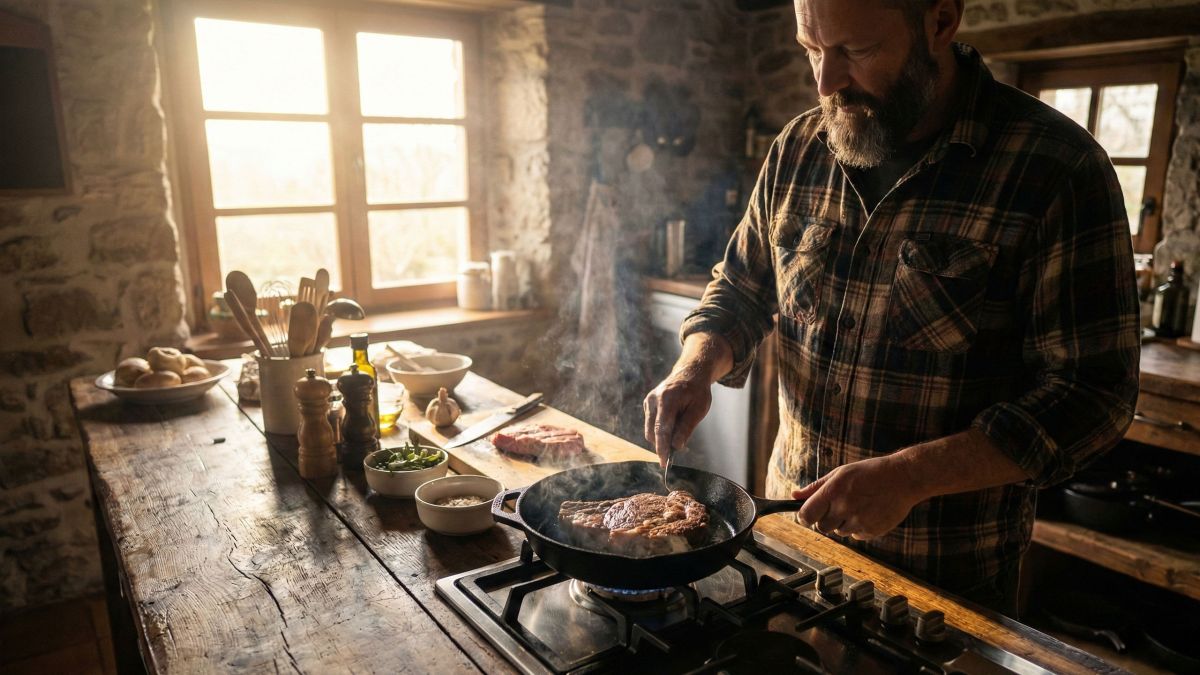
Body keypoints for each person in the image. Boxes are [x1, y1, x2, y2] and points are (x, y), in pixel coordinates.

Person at [642, 0, 1140, 617]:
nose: (825, 81)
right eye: (810, 49)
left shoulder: (1057, 170)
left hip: (941, 582)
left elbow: (1094, 394)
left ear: (939, 21)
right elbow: (741, 289)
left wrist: (911, 476)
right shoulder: (798, 147)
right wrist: (694, 366)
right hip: (792, 543)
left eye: (855, 51)